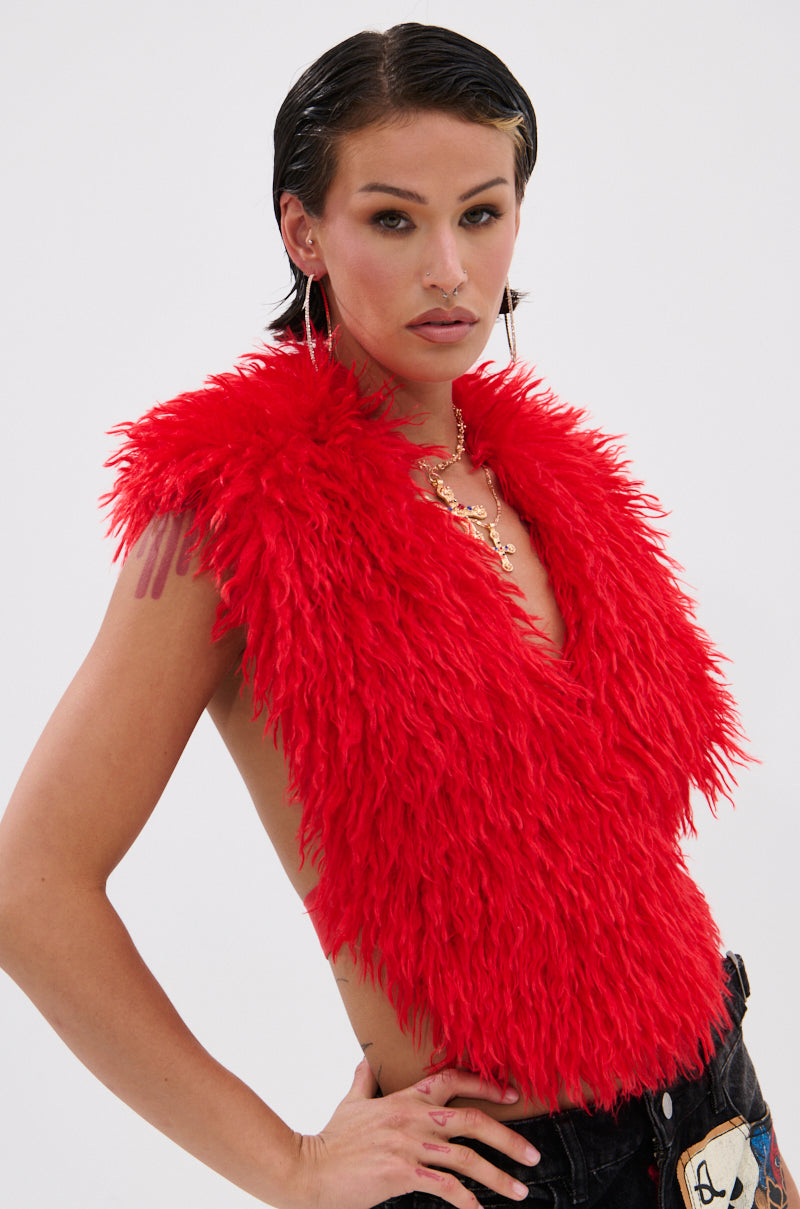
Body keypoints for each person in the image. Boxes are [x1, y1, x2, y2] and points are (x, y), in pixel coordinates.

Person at [0, 21, 796, 1209]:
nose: (446, 269)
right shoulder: (235, 516)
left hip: (710, 1113)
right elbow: (32, 885)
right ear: (301, 230)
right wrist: (291, 1166)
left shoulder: (553, 488)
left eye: (479, 213)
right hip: (507, 1171)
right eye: (391, 219)